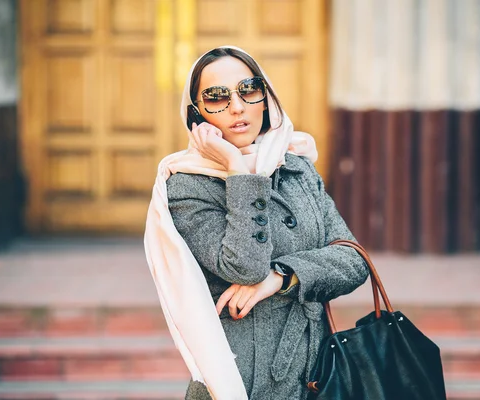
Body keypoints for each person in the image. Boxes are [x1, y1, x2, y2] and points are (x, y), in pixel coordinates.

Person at [144, 46, 369, 400]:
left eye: (248, 89)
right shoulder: (187, 186)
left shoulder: (296, 168)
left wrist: (282, 277)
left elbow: (354, 261)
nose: (237, 107)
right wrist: (237, 169)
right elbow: (245, 268)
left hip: (319, 375)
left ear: (266, 98)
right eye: (216, 98)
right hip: (245, 379)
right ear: (196, 115)